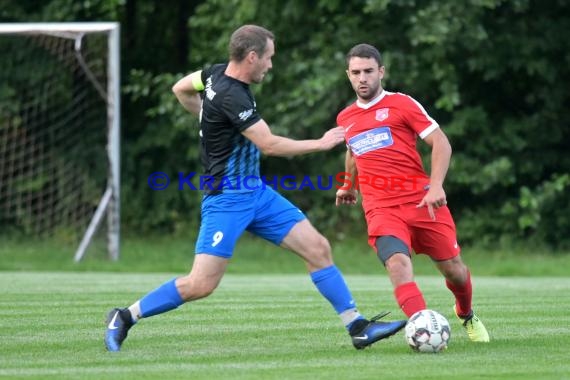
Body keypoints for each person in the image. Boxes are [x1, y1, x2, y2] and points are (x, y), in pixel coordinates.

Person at [105, 26, 406, 352]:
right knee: (201, 284)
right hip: (226, 198)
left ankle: (357, 327)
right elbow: (269, 145)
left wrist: (209, 118)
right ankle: (125, 316)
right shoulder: (233, 95)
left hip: (256, 193)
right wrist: (322, 143)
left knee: (317, 248)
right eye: (269, 58)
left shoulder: (213, 74)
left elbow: (180, 89)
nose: (271, 65)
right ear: (252, 57)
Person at [335, 43, 489, 342]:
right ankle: (424, 328)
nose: (362, 78)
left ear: (381, 71)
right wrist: (348, 184)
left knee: (454, 271)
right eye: (356, 72)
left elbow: (441, 142)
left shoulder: (402, 104)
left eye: (368, 71)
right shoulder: (346, 118)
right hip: (381, 207)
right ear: (348, 75)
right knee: (397, 264)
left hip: (422, 201)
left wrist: (436, 186)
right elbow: (353, 153)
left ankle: (466, 314)